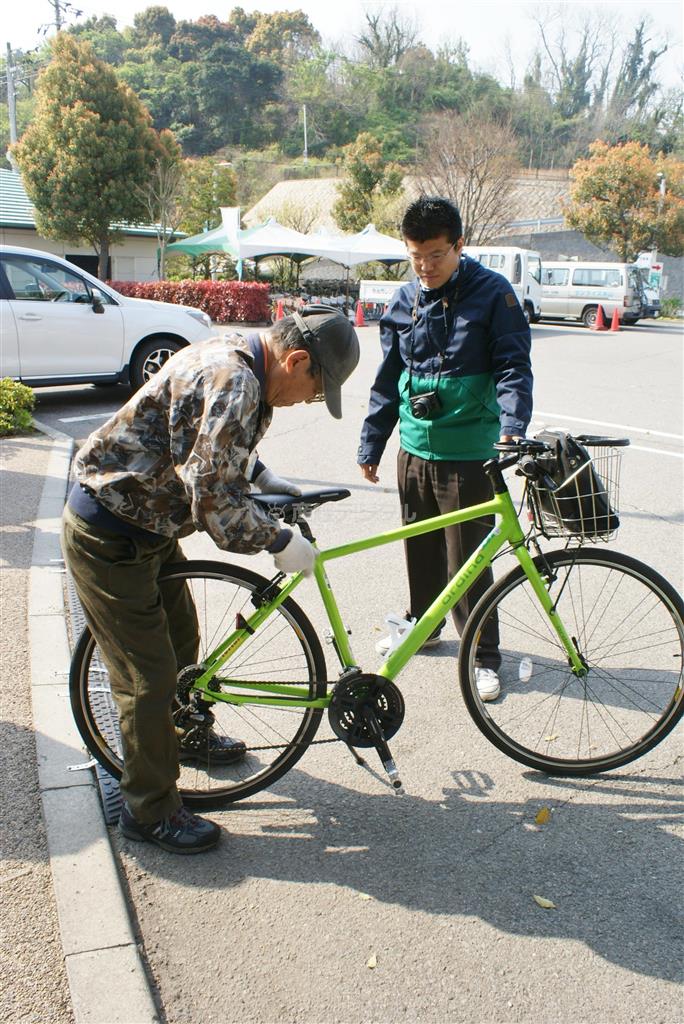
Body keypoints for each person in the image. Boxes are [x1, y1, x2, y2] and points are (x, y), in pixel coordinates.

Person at [62, 307, 360, 853]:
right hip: (109, 530)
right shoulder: (235, 378)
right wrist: (277, 541)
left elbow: (207, 443)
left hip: (145, 522)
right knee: (146, 673)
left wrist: (263, 474)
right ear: (295, 360)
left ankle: (179, 738)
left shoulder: (240, 355)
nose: (306, 403)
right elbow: (215, 505)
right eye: (316, 391)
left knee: (181, 642)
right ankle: (148, 810)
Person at [357, 196, 532, 701]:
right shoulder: (403, 298)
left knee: (470, 559)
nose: (425, 267)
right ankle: (425, 626)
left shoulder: (492, 294)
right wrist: (373, 439)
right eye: (416, 256)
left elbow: (513, 368)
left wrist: (513, 428)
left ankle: (483, 655)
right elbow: (389, 376)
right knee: (421, 548)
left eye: (435, 255)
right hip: (414, 446)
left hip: (470, 450)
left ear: (459, 245)